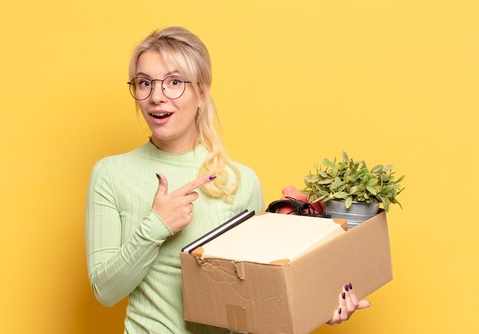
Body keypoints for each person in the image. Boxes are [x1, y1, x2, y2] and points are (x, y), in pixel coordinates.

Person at [85, 26, 369, 334]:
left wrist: (317, 302)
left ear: (201, 92)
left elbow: (256, 303)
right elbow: (106, 291)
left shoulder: (240, 182)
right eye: (144, 83)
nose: (156, 97)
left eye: (174, 82)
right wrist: (156, 226)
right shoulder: (110, 174)